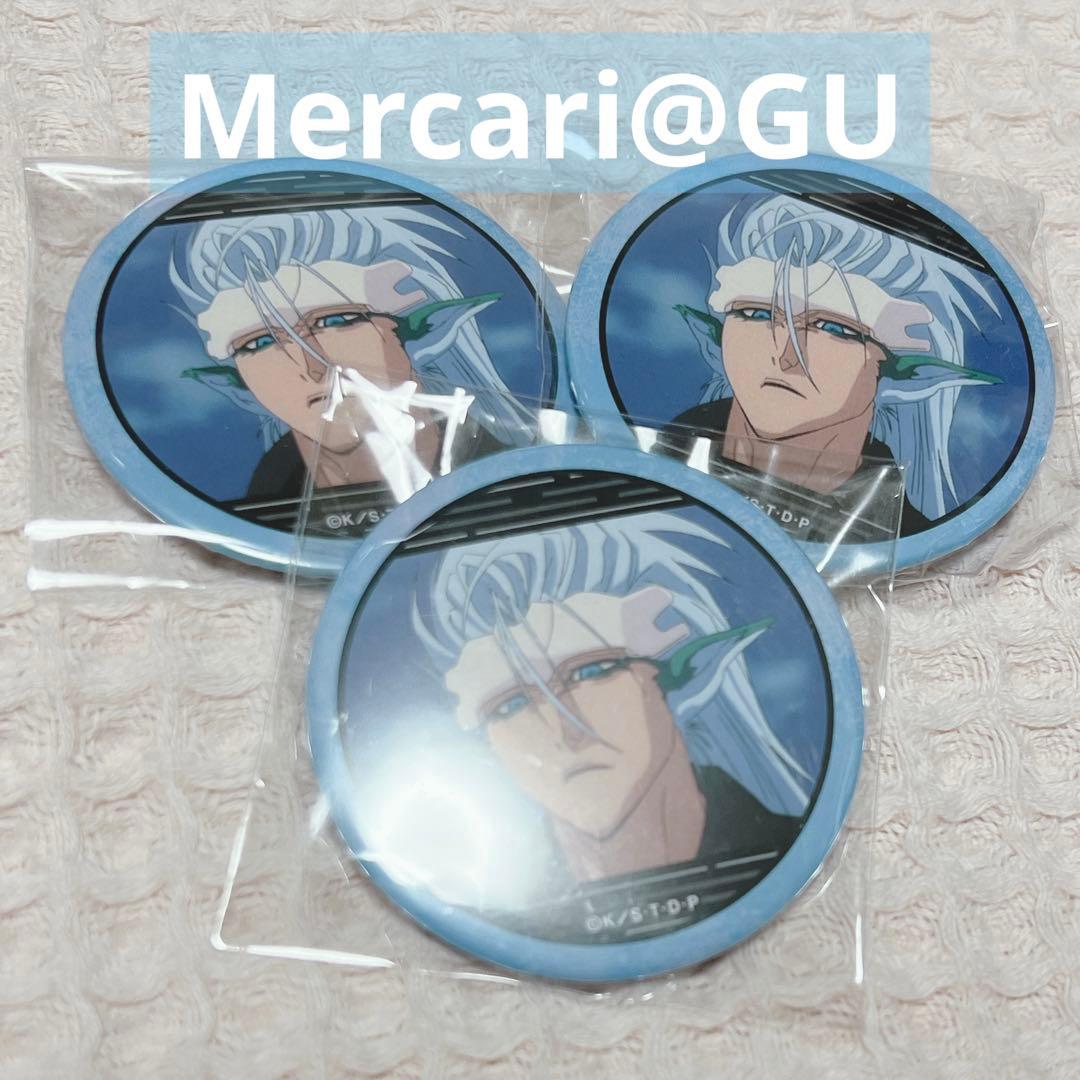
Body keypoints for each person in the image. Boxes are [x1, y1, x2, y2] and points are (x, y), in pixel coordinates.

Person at [416, 511, 811, 889]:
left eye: (590, 672)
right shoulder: (480, 888)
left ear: (680, 673)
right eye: (509, 705)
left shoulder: (789, 848)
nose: (564, 730)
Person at [666, 195, 1003, 533]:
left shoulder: (902, 534)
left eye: (835, 328)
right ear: (716, 340)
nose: (787, 355)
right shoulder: (655, 459)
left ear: (909, 378)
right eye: (755, 313)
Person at [170, 205, 535, 503]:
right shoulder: (256, 507)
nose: (311, 365)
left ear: (425, 332)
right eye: (258, 343)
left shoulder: (521, 483)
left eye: (335, 321)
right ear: (240, 387)